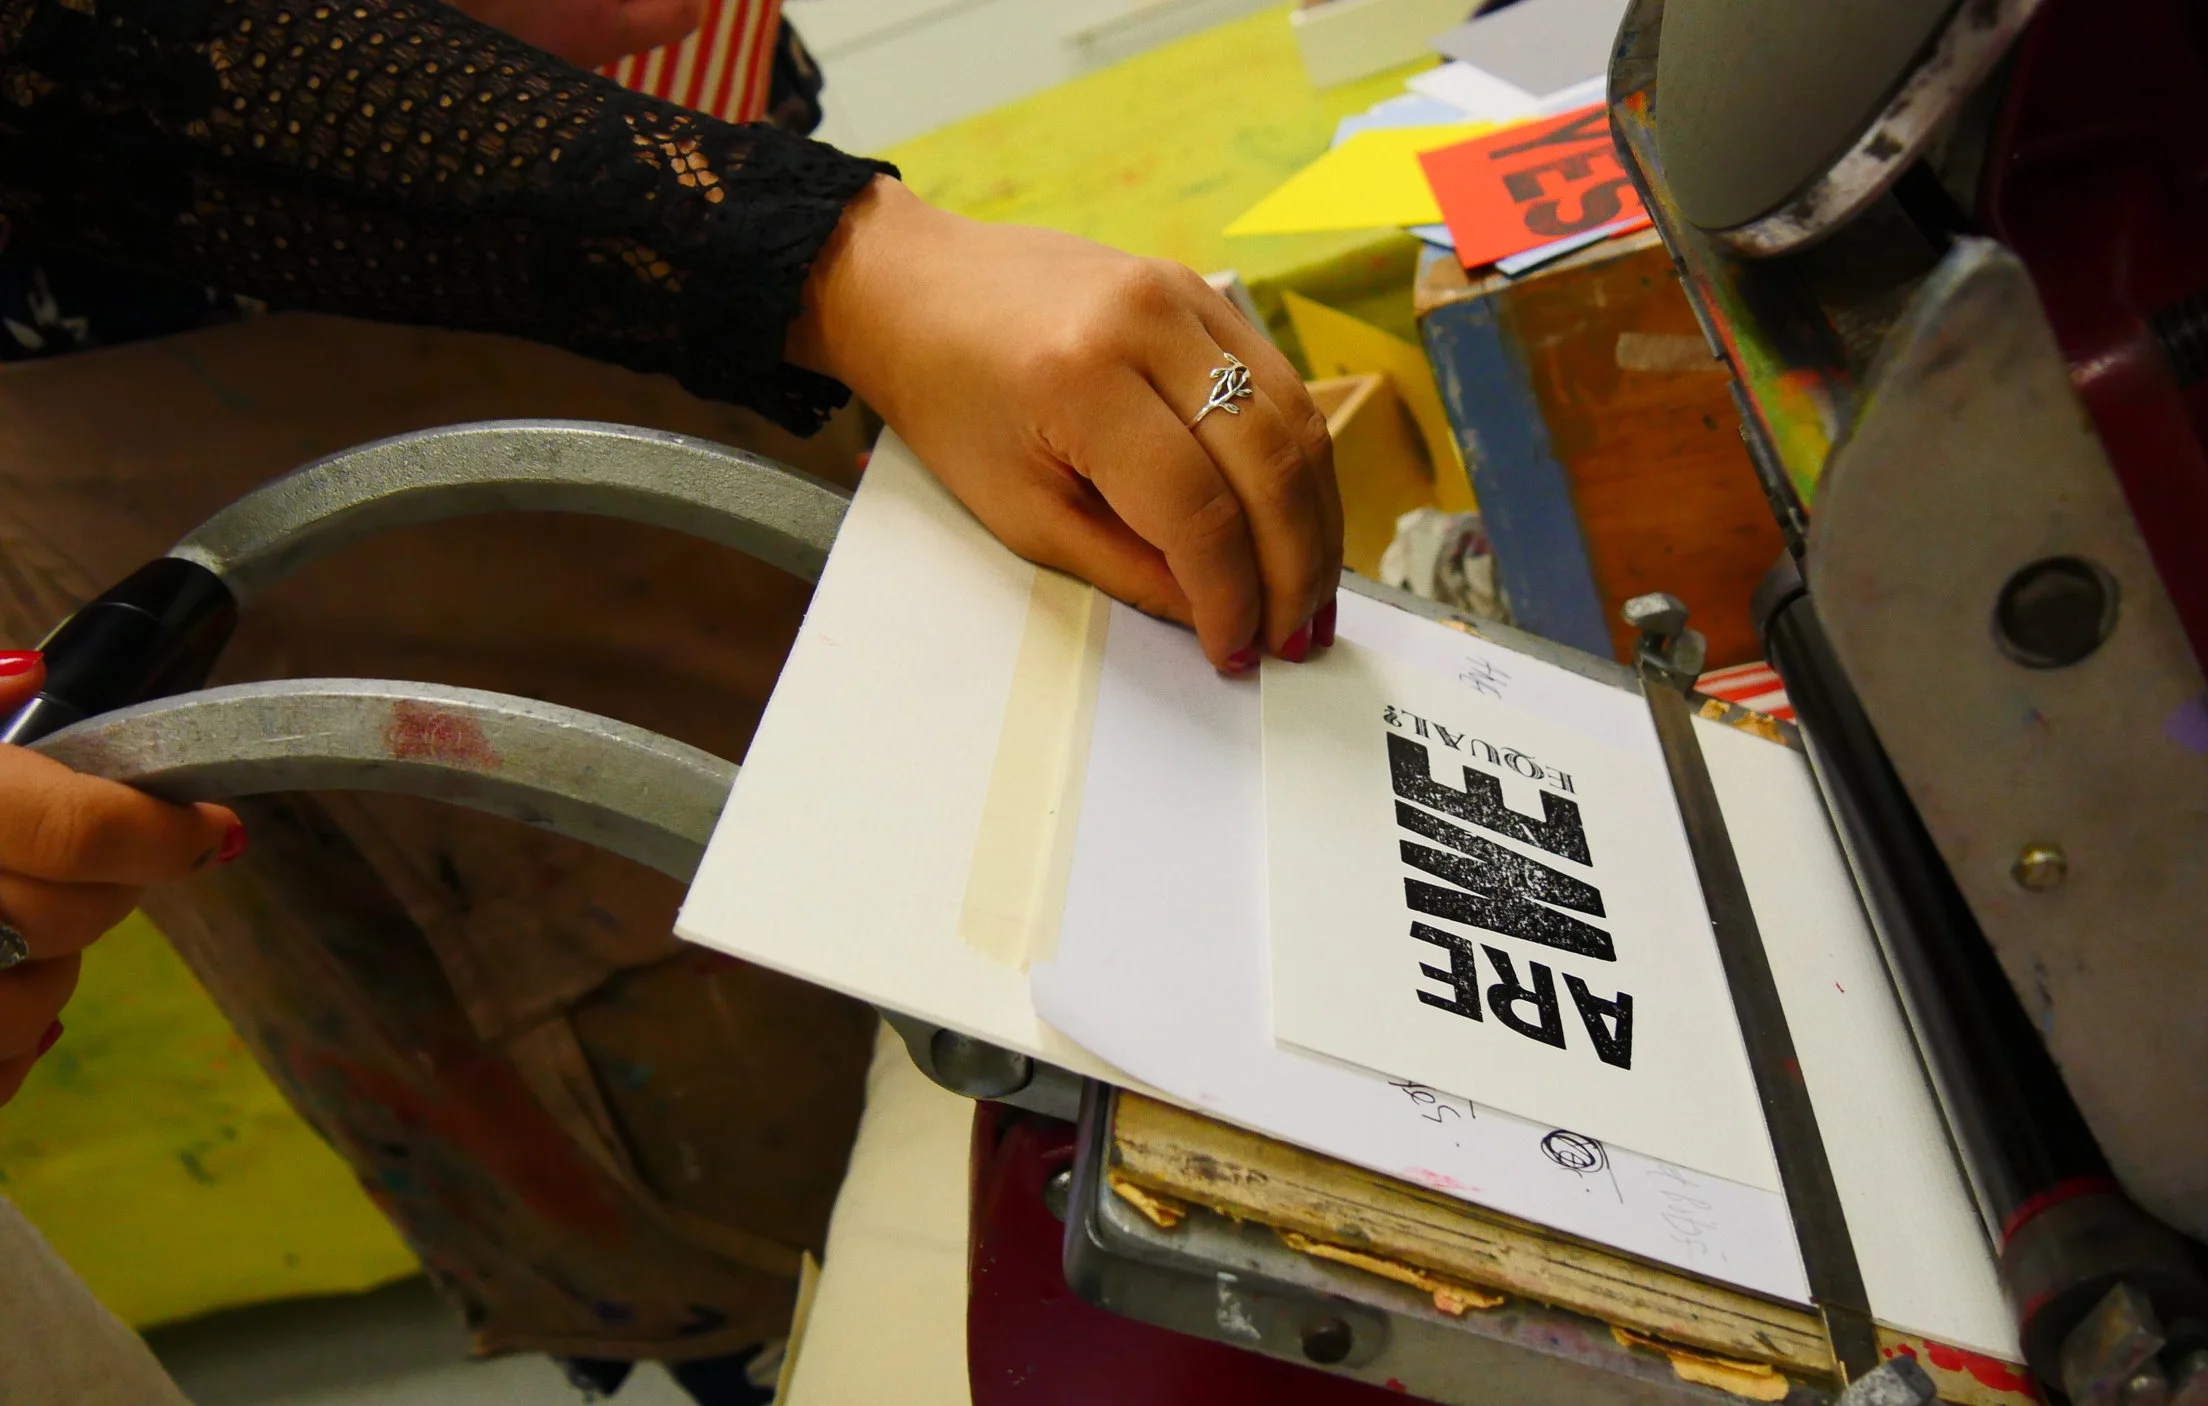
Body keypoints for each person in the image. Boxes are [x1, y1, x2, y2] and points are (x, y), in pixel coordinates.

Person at [0, 0, 1340, 1396]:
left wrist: (819, 256)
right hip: (259, 314)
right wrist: (829, 255)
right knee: (740, 1078)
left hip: (699, 228)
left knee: (1028, 845)